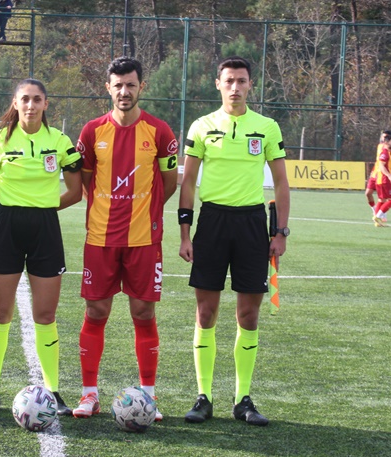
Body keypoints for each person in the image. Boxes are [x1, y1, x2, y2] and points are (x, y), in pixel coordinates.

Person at [178, 56, 290, 427]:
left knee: (249, 315)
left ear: (250, 84)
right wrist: (185, 233)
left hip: (252, 225)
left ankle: (243, 399)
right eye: (229, 81)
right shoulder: (202, 126)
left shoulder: (267, 127)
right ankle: (204, 397)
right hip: (211, 223)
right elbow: (188, 182)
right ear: (218, 84)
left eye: (241, 80)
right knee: (205, 312)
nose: (235, 87)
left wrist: (280, 232)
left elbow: (282, 183)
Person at [72, 57, 179, 421]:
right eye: (118, 85)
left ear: (140, 87)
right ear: (108, 88)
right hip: (100, 239)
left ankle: (148, 395)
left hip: (144, 240)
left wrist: (143, 213)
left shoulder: (159, 131)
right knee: (96, 311)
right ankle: (89, 394)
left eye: (130, 85)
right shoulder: (92, 132)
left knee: (143, 313)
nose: (124, 91)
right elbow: (87, 183)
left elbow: (168, 184)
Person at [0, 78, 82, 415]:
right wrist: (14, 207)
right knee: (0, 313)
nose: (31, 105)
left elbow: (76, 191)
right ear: (16, 103)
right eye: (25, 99)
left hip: (45, 230)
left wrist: (44, 208)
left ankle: (53, 391)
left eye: (37, 99)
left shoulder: (60, 141)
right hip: (7, 227)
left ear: (46, 104)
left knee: (45, 315)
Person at [372, 132, 391, 226]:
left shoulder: (387, 152)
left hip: (380, 180)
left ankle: (377, 221)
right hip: (384, 180)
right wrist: (389, 175)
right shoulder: (385, 153)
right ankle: (378, 216)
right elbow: (381, 165)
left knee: (381, 200)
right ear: (387, 142)